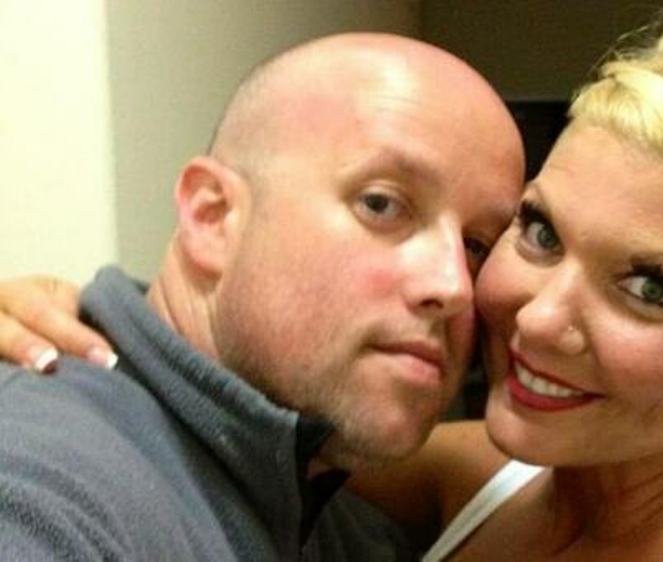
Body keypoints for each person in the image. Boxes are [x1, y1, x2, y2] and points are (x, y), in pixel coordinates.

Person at [0, 0, 663, 560]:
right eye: (538, 232)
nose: (540, 315)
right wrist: (83, 321)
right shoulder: (469, 473)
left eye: (650, 286)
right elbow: (222, 393)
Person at [0, 33, 524, 560]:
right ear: (212, 216)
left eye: (477, 245)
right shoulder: (44, 488)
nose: (454, 286)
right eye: (381, 205)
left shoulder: (338, 519)